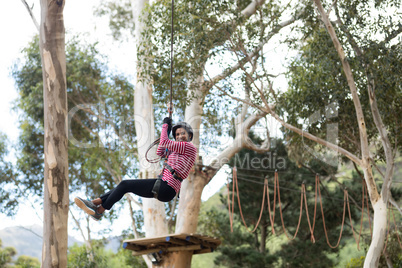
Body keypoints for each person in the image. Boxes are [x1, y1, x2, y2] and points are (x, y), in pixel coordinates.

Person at [74, 117, 197, 220]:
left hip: (167, 187)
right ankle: (98, 209)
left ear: (189, 135)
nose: (180, 136)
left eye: (183, 133)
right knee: (124, 186)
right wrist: (168, 129)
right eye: (177, 134)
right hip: (164, 187)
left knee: (125, 184)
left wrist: (165, 126)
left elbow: (164, 142)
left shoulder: (189, 147)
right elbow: (160, 151)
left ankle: (96, 206)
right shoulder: (175, 150)